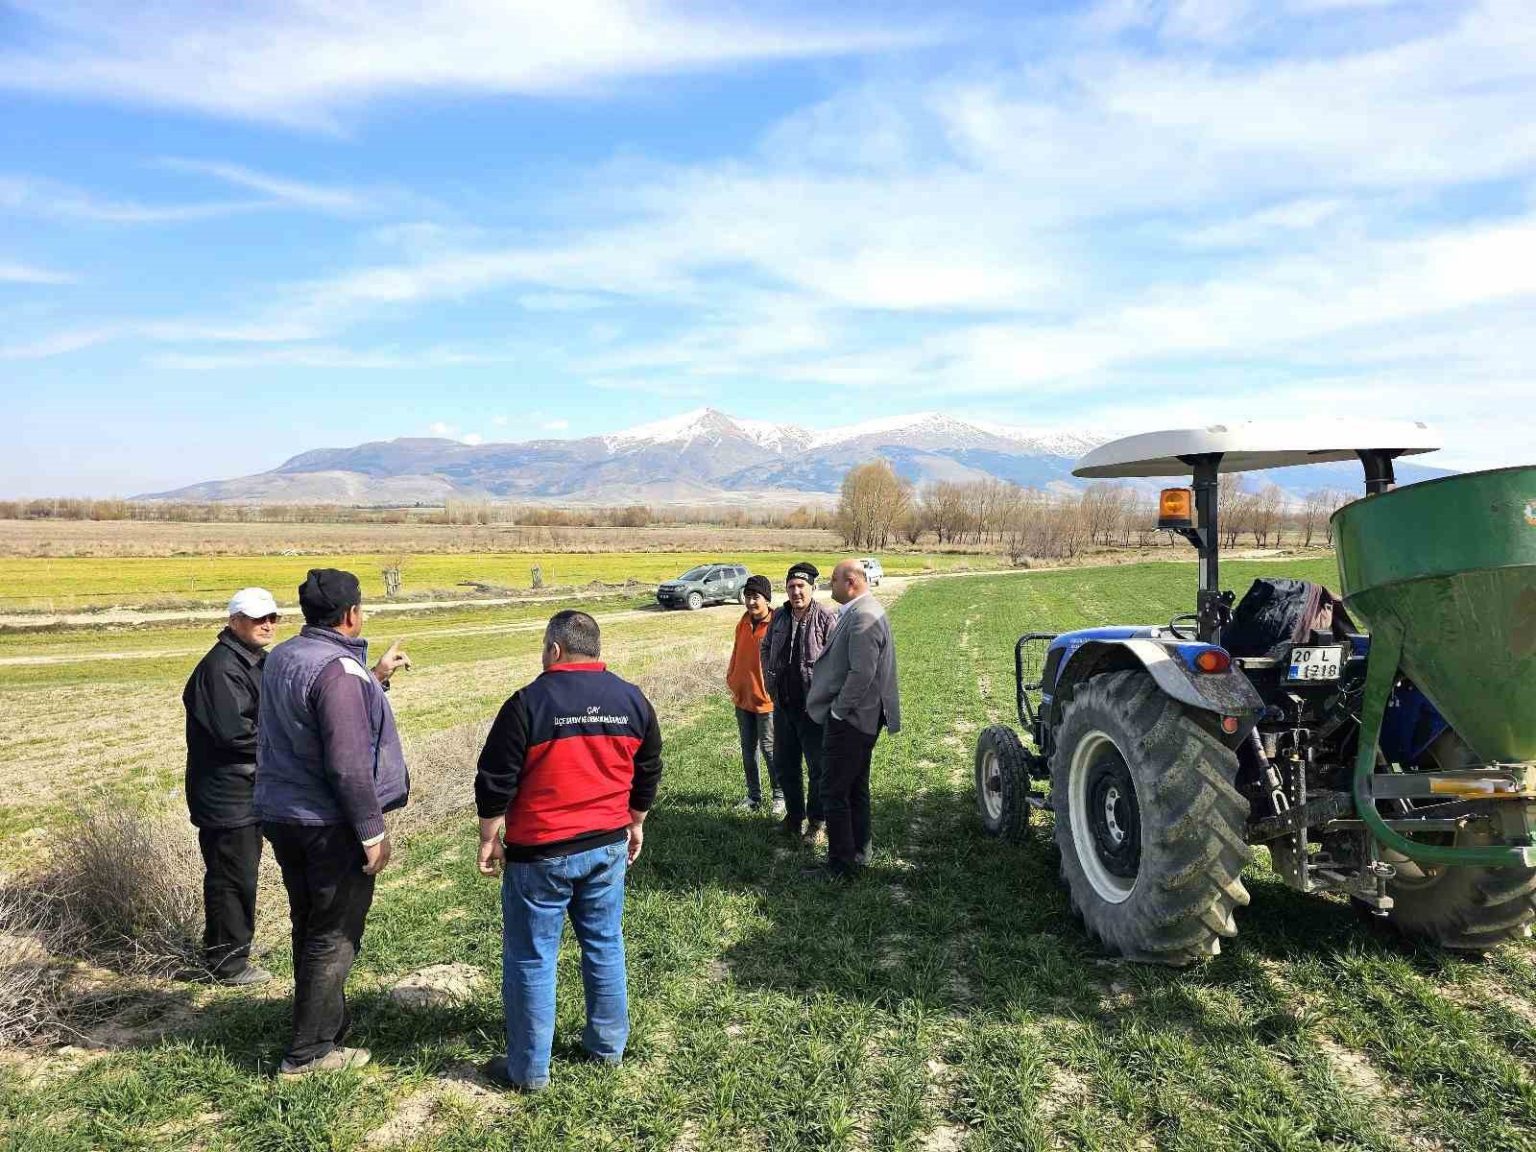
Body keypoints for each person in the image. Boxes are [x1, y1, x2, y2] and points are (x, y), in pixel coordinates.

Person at [474, 610, 663, 1093]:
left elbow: (495, 780)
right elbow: (648, 769)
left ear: (555, 649)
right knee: (604, 943)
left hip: (540, 855)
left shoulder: (526, 704)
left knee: (533, 957)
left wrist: (489, 837)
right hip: (607, 846)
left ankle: (528, 1070)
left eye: (544, 648)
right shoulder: (632, 700)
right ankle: (608, 1049)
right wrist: (636, 822)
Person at [255, 568, 412, 1076]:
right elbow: (347, 764)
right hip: (328, 822)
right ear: (351, 614)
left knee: (310, 921)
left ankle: (321, 1019)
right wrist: (372, 831)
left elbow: (313, 715)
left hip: (284, 814)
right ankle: (310, 1051)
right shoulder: (338, 671)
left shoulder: (285, 656)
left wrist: (375, 676)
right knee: (335, 931)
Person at [182, 586, 280, 986]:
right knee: (231, 877)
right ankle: (227, 964)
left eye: (272, 617)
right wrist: (287, 741)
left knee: (240, 873)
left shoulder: (255, 660)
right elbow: (234, 734)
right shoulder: (221, 668)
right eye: (258, 618)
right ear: (234, 621)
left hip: (247, 787)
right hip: (226, 794)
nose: (267, 625)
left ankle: (232, 949)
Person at [805, 560, 902, 879]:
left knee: (834, 791)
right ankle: (860, 851)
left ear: (850, 582)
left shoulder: (864, 617)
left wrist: (837, 712)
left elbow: (862, 674)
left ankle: (841, 865)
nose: (828, 584)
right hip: (858, 719)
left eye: (833, 579)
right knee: (854, 787)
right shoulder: (860, 611)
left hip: (852, 720)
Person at [760, 562, 837, 844]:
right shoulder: (780, 617)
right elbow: (765, 647)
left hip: (813, 708)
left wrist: (826, 696)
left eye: (801, 586)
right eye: (791, 586)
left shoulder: (826, 618)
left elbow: (837, 660)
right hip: (784, 705)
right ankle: (794, 818)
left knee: (818, 768)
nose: (796, 592)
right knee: (785, 764)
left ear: (813, 588)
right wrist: (770, 682)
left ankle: (817, 822)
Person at [727, 574, 780, 814]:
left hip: (766, 702)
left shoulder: (777, 624)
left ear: (766, 599)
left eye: (755, 597)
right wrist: (732, 676)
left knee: (770, 751)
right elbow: (736, 652)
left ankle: (779, 796)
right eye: (747, 596)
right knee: (748, 750)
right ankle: (753, 796)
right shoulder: (743, 622)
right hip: (743, 698)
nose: (750, 602)